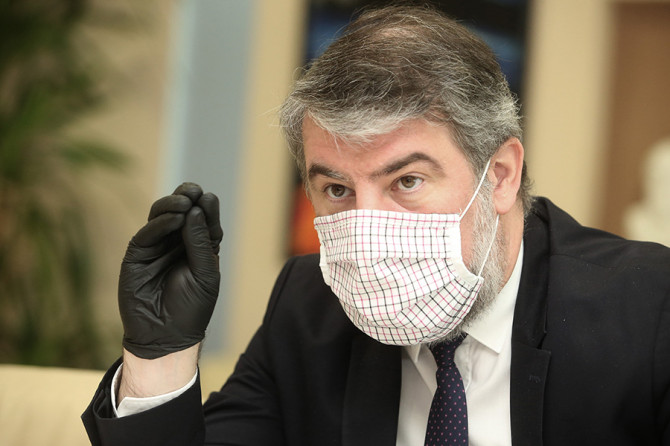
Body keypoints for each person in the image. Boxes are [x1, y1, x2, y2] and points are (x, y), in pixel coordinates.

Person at [82, 5, 670, 445]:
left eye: (406, 181)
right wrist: (160, 357)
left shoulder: (650, 311)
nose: (368, 231)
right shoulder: (308, 308)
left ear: (500, 175)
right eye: (337, 189)